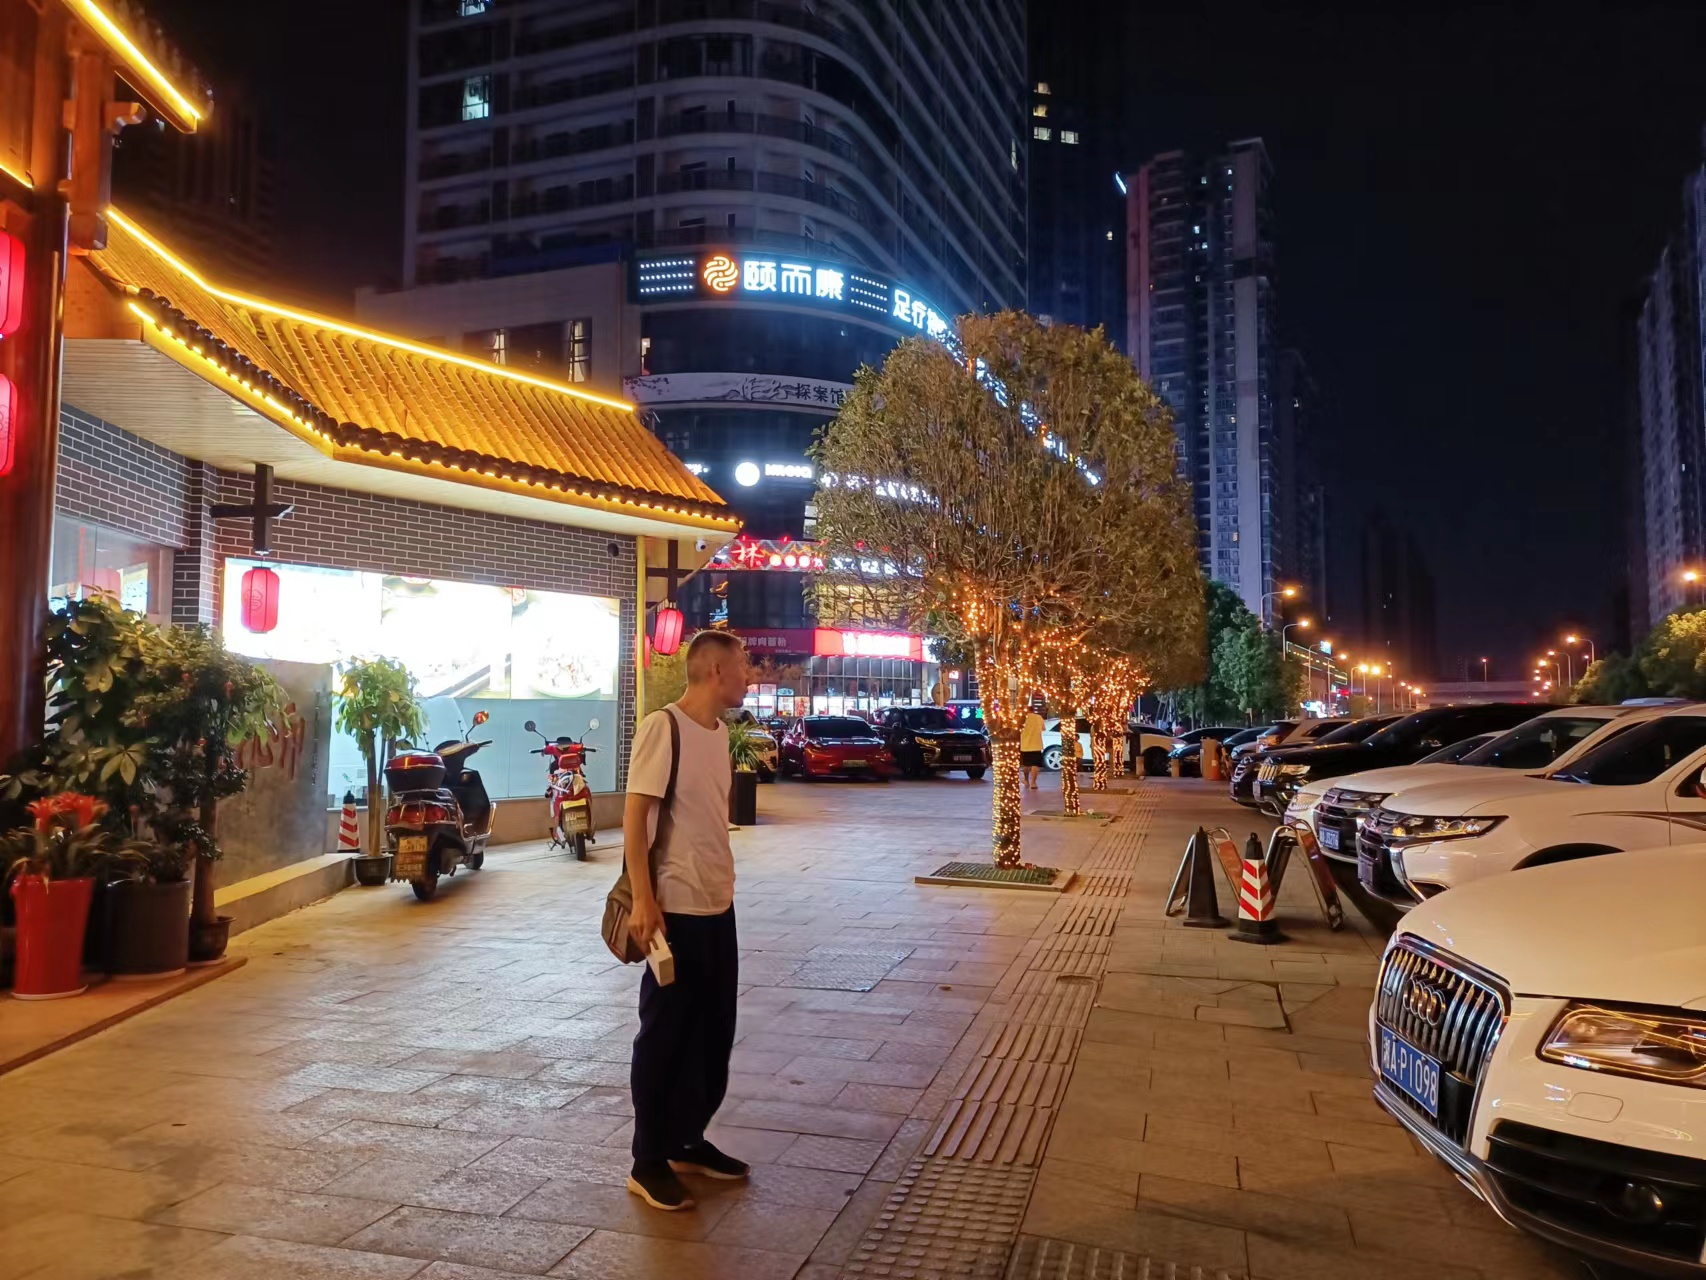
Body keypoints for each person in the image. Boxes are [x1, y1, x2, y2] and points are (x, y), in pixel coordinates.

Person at [622, 630, 750, 1212]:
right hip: (674, 909)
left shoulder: (719, 734)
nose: (751, 676)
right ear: (716, 671)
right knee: (665, 1037)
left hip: (717, 906)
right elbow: (635, 817)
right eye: (744, 666)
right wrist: (645, 901)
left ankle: (687, 1140)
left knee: (712, 1035)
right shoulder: (663, 727)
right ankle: (648, 1160)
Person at [1020, 706, 1046, 789]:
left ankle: (1026, 780)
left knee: (1026, 764)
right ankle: (1034, 783)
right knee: (1035, 764)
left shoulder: (1021, 718)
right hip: (1037, 744)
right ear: (1033, 710)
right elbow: (1043, 729)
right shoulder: (1039, 717)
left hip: (1025, 744)